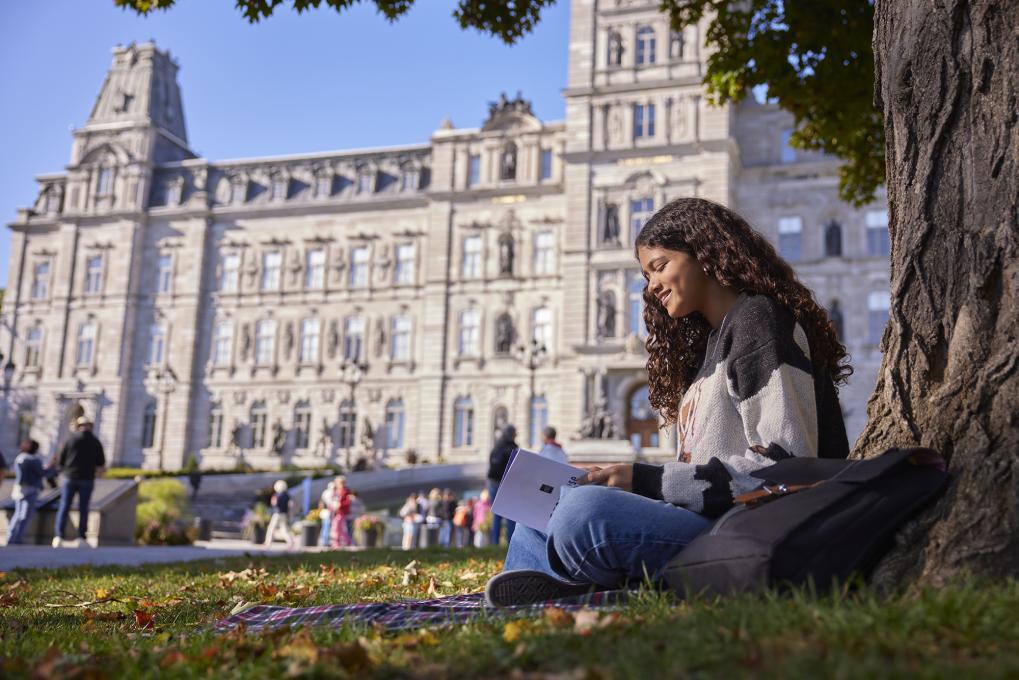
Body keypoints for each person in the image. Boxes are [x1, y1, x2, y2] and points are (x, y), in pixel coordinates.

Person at [487, 197, 851, 606]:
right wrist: (626, 481)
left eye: (659, 266)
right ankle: (538, 597)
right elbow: (698, 473)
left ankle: (573, 589)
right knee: (539, 512)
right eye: (646, 275)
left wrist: (642, 480)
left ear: (706, 253)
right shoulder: (710, 346)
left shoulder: (760, 322)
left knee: (582, 512)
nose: (651, 286)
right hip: (704, 523)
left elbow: (787, 467)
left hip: (747, 532)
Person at [52, 417, 107, 547]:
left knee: (64, 507)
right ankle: (81, 538)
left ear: (78, 426)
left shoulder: (69, 440)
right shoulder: (95, 442)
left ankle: (58, 536)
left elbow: (60, 461)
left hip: (69, 478)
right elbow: (101, 463)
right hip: (87, 479)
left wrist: (65, 471)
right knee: (84, 508)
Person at [6, 440, 45, 545]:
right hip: (31, 489)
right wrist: (51, 467)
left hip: (19, 488)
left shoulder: (19, 458)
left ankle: (11, 537)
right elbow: (41, 473)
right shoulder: (33, 460)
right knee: (25, 515)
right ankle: (17, 538)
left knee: (18, 514)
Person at [486, 424, 518, 546]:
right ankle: (511, 543)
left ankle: (495, 542)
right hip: (507, 484)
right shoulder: (512, 448)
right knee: (510, 514)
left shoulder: (497, 447)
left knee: (497, 515)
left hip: (494, 483)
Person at [264, 480, 295, 549]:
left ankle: (267, 542)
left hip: (277, 513)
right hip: (284, 514)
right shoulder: (287, 495)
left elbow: (274, 504)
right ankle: (290, 542)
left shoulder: (276, 495)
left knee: (271, 528)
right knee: (283, 529)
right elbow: (291, 505)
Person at [329, 476, 352, 548]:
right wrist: (332, 507)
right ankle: (346, 541)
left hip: (342, 512)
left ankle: (337, 542)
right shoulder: (335, 491)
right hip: (336, 512)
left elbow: (348, 502)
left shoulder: (346, 491)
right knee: (339, 528)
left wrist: (340, 504)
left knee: (336, 526)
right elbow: (332, 501)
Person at [317, 481, 334, 547]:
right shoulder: (330, 493)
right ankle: (325, 541)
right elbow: (330, 504)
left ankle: (323, 540)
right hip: (327, 512)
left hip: (324, 512)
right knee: (326, 527)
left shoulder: (325, 492)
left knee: (324, 526)